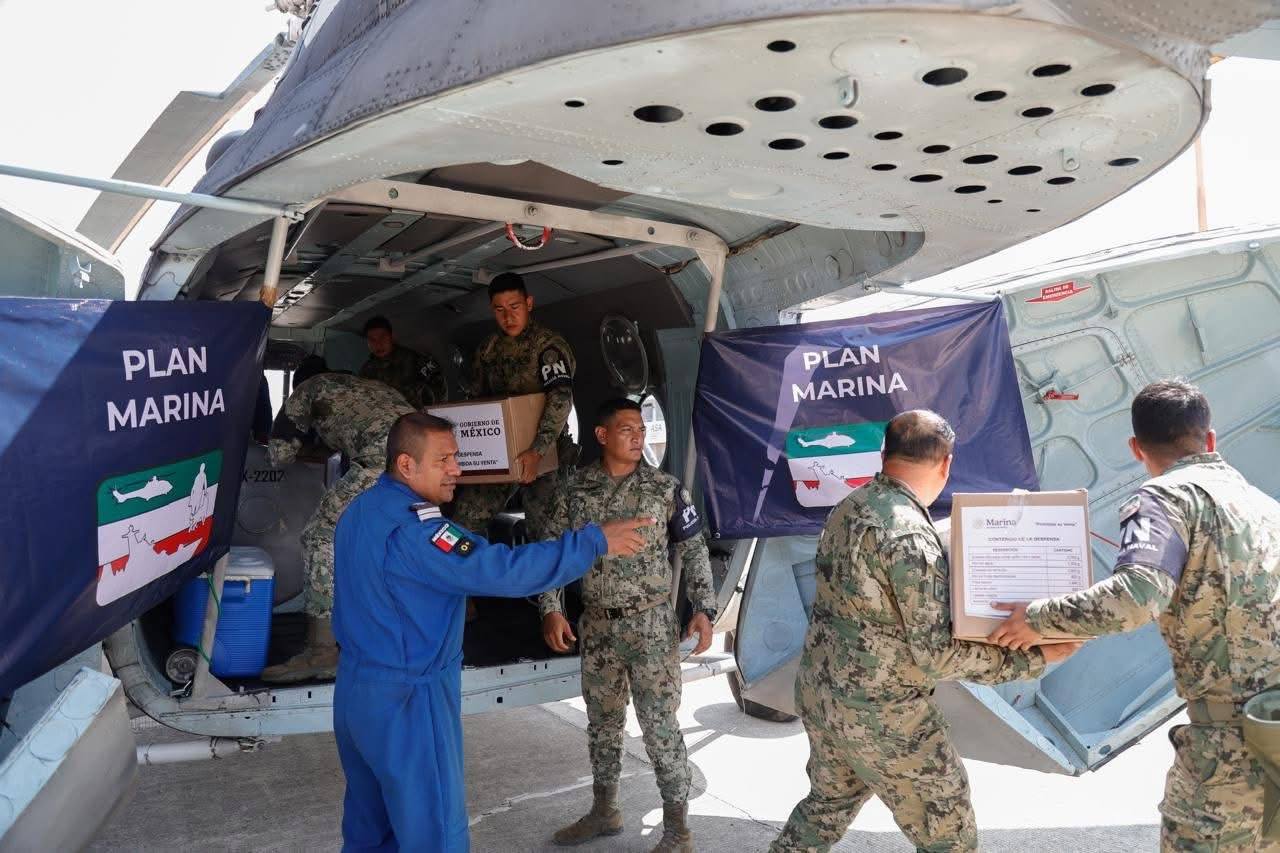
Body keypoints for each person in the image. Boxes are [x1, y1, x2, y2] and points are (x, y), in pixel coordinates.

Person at [332, 412, 654, 852]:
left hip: (357, 692)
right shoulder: (418, 531)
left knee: (371, 827)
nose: (457, 471)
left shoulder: (362, 510)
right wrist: (592, 542)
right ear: (406, 465)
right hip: (409, 701)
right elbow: (499, 570)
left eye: (457, 458)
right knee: (433, 831)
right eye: (444, 459)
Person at [988, 379, 1280, 853]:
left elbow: (1136, 597)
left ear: (1135, 447)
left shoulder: (1165, 499)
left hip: (1231, 750)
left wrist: (1037, 619)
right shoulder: (1264, 507)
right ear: (1210, 439)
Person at [770, 410, 1080, 853]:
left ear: (883, 455)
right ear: (946, 463)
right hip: (883, 714)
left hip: (824, 695)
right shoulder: (910, 537)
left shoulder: (849, 507)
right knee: (949, 834)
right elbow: (938, 655)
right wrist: (1032, 659)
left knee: (826, 806)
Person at [540, 398, 716, 852]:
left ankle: (677, 831)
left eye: (641, 428)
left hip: (651, 627)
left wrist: (704, 607)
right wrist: (551, 608)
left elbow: (693, 548)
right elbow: (554, 553)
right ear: (602, 436)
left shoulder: (664, 488)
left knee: (659, 727)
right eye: (627, 429)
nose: (638, 437)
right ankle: (605, 810)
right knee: (602, 725)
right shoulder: (574, 491)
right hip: (598, 627)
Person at [260, 356, 416, 683]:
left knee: (318, 536)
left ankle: (322, 651)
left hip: (381, 459)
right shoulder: (366, 385)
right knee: (390, 542)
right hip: (423, 457)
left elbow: (278, 457)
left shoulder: (305, 392)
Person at [450, 272, 576, 540]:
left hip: (546, 454)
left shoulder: (548, 346)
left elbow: (560, 399)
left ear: (529, 303)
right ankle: (464, 578)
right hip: (501, 451)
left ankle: (546, 583)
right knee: (465, 519)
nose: (508, 317)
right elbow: (478, 401)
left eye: (515, 307)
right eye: (500, 310)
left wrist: (537, 451)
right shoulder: (489, 348)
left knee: (547, 536)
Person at [358, 315, 447, 407]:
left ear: (391, 336)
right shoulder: (366, 371)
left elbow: (439, 387)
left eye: (382, 337)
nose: (378, 343)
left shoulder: (415, 360)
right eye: (372, 340)